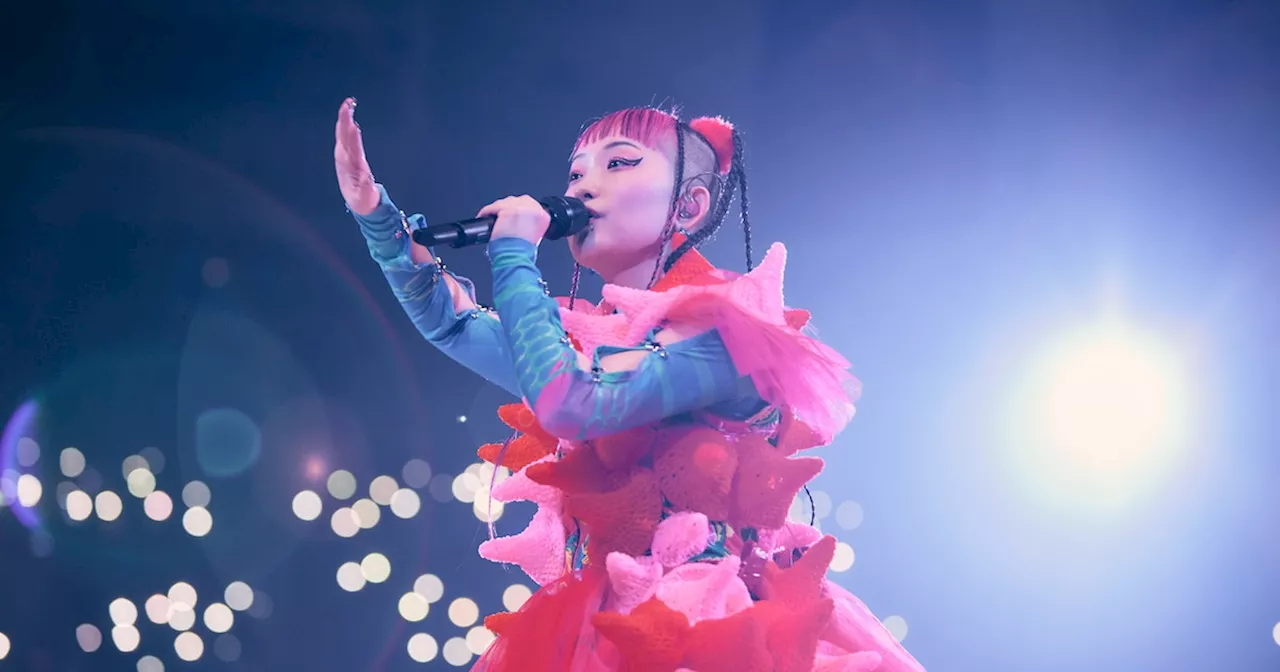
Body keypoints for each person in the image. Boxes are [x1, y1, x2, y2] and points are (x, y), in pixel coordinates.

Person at [335, 97, 925, 672]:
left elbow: (574, 405)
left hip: (707, 626)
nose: (583, 187)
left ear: (689, 206)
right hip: (600, 631)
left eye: (619, 163)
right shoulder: (591, 348)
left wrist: (515, 255)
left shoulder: (729, 339)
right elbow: (453, 321)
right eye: (575, 172)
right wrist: (380, 224)